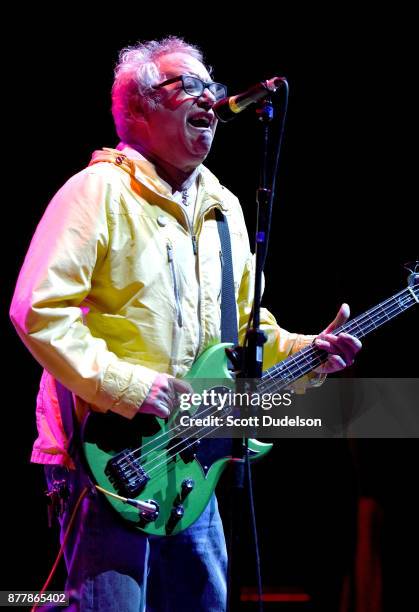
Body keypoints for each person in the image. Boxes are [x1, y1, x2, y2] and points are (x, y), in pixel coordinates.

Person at [10, 36, 361, 612]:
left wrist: (306, 351)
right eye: (188, 86)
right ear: (139, 107)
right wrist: (127, 385)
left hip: (191, 466)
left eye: (212, 86)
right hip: (109, 461)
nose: (211, 99)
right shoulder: (97, 191)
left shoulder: (224, 208)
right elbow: (37, 309)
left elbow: (246, 332)